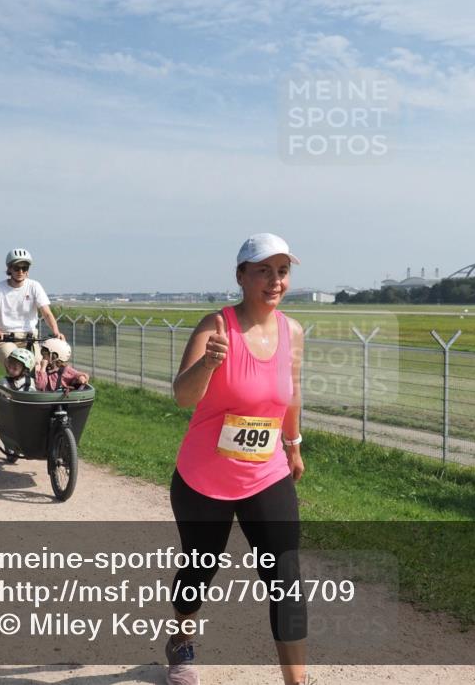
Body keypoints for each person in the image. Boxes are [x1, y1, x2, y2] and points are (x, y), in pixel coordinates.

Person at [167, 233, 308, 685]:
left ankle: (297, 682)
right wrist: (208, 364)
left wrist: (294, 445)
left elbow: (291, 395)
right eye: (264, 270)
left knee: (285, 578)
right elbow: (182, 398)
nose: (274, 281)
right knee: (199, 568)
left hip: (266, 473)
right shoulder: (216, 326)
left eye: (282, 271)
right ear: (241, 276)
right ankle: (182, 640)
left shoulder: (293, 332)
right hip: (204, 477)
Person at [0, 248, 63, 366]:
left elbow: (46, 313)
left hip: (29, 338)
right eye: (17, 268)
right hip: (5, 338)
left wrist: (56, 332)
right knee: (18, 364)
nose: (20, 271)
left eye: (24, 268)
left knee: (39, 369)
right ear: (9, 269)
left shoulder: (34, 286)